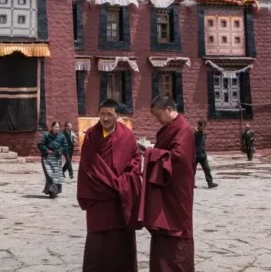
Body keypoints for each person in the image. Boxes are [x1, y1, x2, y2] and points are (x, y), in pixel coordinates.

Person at [77, 99, 143, 272]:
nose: (105, 119)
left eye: (109, 115)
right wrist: (114, 183)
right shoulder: (91, 135)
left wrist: (125, 181)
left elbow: (136, 160)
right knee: (98, 242)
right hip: (100, 197)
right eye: (102, 114)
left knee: (121, 240)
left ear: (118, 116)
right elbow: (89, 166)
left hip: (120, 198)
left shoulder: (127, 135)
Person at [141, 95, 196, 272]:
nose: (157, 120)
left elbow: (178, 159)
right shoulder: (168, 129)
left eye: (158, 115)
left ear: (168, 109)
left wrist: (151, 153)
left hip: (176, 192)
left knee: (177, 231)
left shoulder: (183, 129)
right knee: (161, 231)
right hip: (165, 190)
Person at [38, 121, 68, 199]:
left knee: (57, 175)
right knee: (50, 174)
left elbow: (65, 146)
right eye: (55, 127)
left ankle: (54, 191)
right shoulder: (46, 135)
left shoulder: (62, 136)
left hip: (57, 158)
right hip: (47, 157)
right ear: (52, 127)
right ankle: (52, 191)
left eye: (58, 127)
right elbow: (40, 144)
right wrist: (46, 150)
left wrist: (60, 151)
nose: (57, 128)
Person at [194, 120, 218, 188]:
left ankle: (210, 183)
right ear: (199, 125)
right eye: (203, 126)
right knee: (192, 170)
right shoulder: (194, 132)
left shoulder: (204, 133)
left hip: (203, 154)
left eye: (205, 126)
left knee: (207, 169)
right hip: (195, 155)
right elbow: (197, 135)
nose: (204, 128)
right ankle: (191, 184)